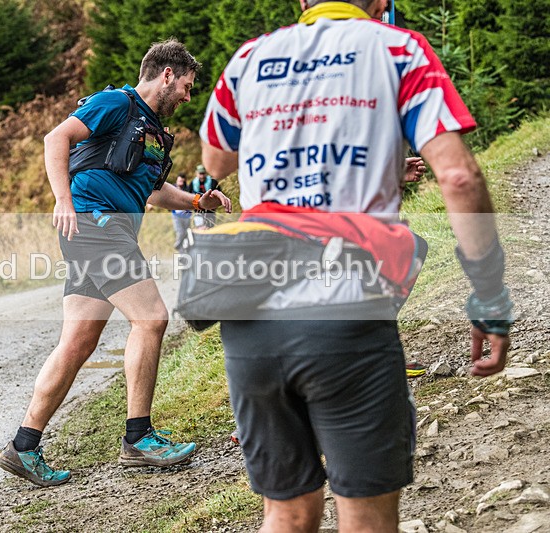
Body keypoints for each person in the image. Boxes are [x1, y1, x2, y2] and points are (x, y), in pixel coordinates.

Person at [199, 1, 512, 531]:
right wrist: (489, 294)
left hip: (250, 313)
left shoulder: (249, 57)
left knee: (286, 511)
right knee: (364, 516)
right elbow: (459, 177)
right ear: (378, 2)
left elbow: (216, 160)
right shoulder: (398, 49)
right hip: (346, 308)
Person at [0, 38, 232, 488]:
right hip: (93, 223)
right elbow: (56, 138)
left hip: (107, 228)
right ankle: (138, 439)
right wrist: (63, 200)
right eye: (185, 85)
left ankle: (23, 446)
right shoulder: (115, 104)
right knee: (153, 318)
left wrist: (198, 201)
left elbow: (153, 191)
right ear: (167, 74)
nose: (187, 95)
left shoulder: (155, 132)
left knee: (78, 342)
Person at [188, 164, 220, 228]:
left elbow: (219, 194)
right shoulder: (192, 183)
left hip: (210, 211)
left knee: (210, 228)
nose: (202, 176)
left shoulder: (213, 182)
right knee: (200, 228)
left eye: (203, 174)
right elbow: (188, 196)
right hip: (198, 211)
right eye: (200, 174)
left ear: (206, 173)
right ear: (196, 173)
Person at [171, 173, 192, 251]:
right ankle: (178, 246)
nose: (181, 183)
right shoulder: (172, 188)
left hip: (187, 215)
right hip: (176, 215)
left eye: (182, 181)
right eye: (179, 181)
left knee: (186, 234)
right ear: (177, 180)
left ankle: (183, 253)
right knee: (180, 232)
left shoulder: (187, 189)